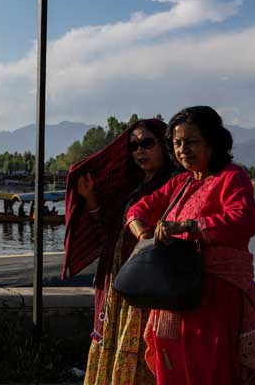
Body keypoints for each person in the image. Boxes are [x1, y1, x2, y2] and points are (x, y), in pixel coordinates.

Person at [125, 106, 255, 385]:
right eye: (176, 143)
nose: (182, 150)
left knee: (209, 366)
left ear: (212, 141)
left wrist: (188, 226)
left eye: (191, 142)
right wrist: (143, 235)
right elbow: (136, 209)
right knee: (174, 361)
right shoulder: (180, 183)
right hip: (177, 292)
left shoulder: (232, 177)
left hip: (215, 295)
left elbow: (245, 220)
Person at [63, 118, 176, 385]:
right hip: (116, 279)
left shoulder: (175, 185)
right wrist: (90, 197)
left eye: (147, 143)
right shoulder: (129, 188)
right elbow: (108, 233)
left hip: (147, 285)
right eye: (134, 146)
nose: (140, 151)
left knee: (142, 348)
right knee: (114, 342)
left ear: (164, 145)